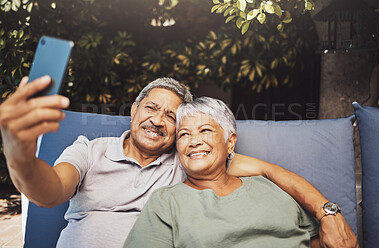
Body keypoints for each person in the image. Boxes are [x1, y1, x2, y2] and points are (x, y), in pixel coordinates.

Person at [0, 75, 358, 247]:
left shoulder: (187, 160)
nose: (158, 120)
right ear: (134, 111)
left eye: (173, 118)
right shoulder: (90, 149)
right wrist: (19, 155)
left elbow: (269, 171)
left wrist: (329, 214)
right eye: (151, 108)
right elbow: (48, 192)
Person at [124, 96, 321, 247]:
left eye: (205, 131)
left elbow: (321, 240)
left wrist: (331, 216)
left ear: (230, 142)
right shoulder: (166, 202)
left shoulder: (272, 187)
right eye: (184, 135)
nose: (194, 142)